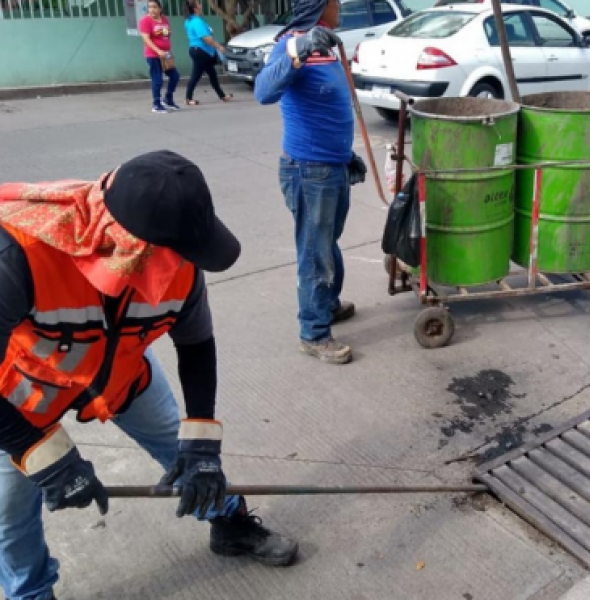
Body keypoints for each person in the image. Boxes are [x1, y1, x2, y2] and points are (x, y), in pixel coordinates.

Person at [0, 151, 298, 600]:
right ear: (126, 245)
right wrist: (43, 457)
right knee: (11, 509)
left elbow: (196, 345)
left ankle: (229, 523)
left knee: (187, 455)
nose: (184, 266)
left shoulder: (181, 264)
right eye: (175, 254)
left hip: (123, 377)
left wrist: (202, 447)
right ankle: (30, 593)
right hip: (25, 392)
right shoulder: (20, 255)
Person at [254, 0, 367, 365]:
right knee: (314, 251)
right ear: (321, 6)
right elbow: (263, 91)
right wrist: (299, 51)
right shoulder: (292, 43)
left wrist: (345, 153)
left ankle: (328, 305)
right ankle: (314, 333)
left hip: (331, 165)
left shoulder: (327, 44)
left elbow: (330, 106)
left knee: (326, 243)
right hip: (308, 171)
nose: (340, 7)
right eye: (335, 1)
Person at [183, 0, 233, 106]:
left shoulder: (189, 20)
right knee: (197, 75)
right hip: (201, 51)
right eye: (199, 4)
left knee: (211, 74)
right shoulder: (197, 22)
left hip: (197, 50)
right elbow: (206, 38)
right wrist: (219, 47)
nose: (201, 6)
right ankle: (188, 98)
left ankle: (222, 95)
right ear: (195, 8)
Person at [139, 0, 181, 114]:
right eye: (149, 7)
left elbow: (167, 34)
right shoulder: (145, 21)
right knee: (157, 79)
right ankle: (156, 104)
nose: (152, 10)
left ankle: (168, 99)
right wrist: (158, 50)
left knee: (175, 76)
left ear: (160, 8)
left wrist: (166, 48)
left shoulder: (164, 19)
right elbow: (146, 39)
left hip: (166, 54)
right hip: (153, 54)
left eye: (154, 7)